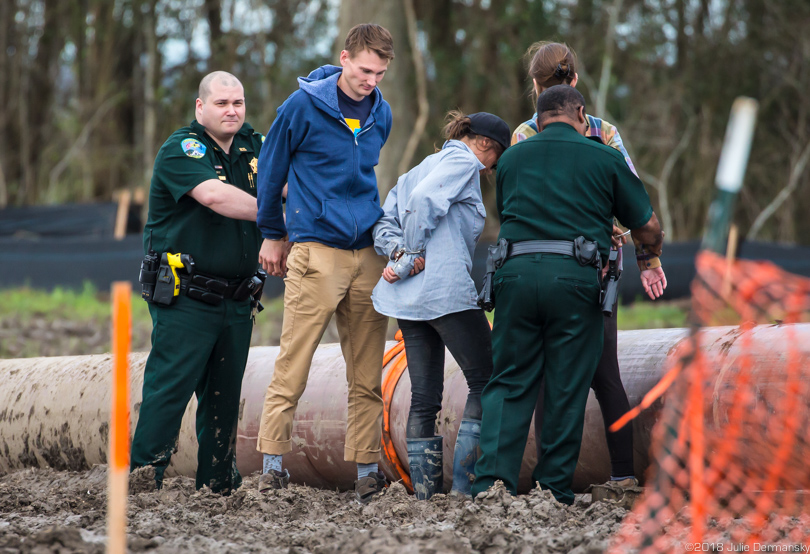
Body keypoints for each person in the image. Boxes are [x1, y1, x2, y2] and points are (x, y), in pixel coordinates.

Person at [471, 85, 666, 505]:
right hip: (575, 280)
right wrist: (650, 255)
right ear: (580, 114)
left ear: (538, 120)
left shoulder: (510, 160)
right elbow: (646, 224)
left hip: (514, 277)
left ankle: (490, 487)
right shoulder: (605, 157)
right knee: (566, 383)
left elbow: (509, 213)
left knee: (508, 382)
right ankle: (552, 490)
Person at [513, 41, 667, 488]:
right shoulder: (605, 132)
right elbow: (632, 197)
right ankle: (621, 475)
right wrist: (648, 258)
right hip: (600, 266)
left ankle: (548, 480)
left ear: (535, 88)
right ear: (576, 82)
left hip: (541, 264)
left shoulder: (524, 135)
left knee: (545, 373)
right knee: (605, 372)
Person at [254, 23, 395, 503]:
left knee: (367, 374)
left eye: (379, 73)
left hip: (368, 256)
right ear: (344, 58)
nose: (370, 80)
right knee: (294, 361)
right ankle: (273, 464)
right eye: (364, 69)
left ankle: (367, 472)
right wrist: (274, 234)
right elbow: (270, 174)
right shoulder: (301, 108)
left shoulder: (382, 114)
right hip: (316, 252)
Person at [130, 71, 265, 494]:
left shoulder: (253, 147)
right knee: (170, 392)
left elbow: (288, 181)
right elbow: (214, 196)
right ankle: (141, 482)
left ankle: (217, 485)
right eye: (222, 103)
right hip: (187, 296)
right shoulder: (182, 148)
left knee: (225, 400)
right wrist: (276, 216)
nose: (232, 111)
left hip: (238, 297)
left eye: (238, 103)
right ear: (200, 107)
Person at [371, 111, 510, 499]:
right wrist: (411, 251)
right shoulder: (463, 160)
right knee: (487, 380)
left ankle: (426, 498)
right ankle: (466, 490)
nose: (490, 169)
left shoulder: (417, 168)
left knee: (424, 398)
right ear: (487, 146)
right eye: (496, 160)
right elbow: (423, 201)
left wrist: (399, 253)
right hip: (446, 293)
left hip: (410, 301)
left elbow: (383, 223)